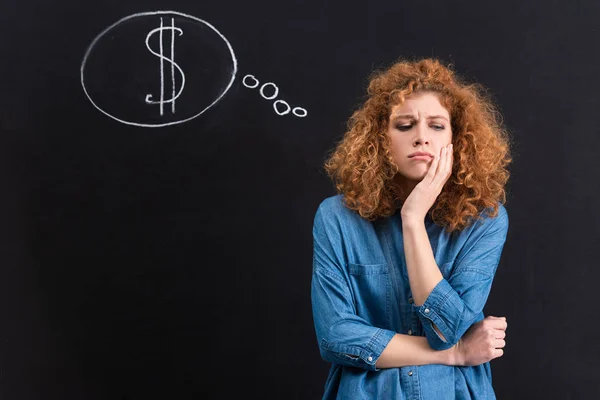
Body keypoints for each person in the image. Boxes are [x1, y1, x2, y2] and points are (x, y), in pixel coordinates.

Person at [311, 58, 512, 399]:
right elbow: (335, 336)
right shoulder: (336, 217)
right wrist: (456, 353)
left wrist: (413, 219)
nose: (421, 138)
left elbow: (444, 329)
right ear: (380, 139)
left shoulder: (486, 220)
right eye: (404, 126)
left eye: (436, 126)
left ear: (457, 139)